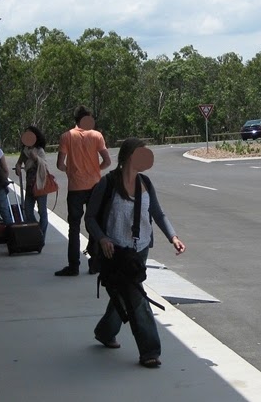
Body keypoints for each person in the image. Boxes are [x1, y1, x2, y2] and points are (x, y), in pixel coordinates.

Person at [85, 138, 185, 368]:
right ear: (130, 156)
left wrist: (173, 237)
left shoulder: (146, 183)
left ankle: (104, 332)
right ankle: (150, 351)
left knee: (124, 295)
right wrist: (102, 238)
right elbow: (90, 217)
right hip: (115, 251)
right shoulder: (108, 183)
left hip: (139, 251)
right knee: (137, 298)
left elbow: (158, 214)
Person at [56, 106, 112, 276]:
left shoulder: (67, 136)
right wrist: (96, 170)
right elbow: (108, 161)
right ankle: (94, 263)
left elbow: (59, 164)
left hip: (75, 188)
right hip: (95, 186)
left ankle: (73, 266)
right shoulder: (96, 135)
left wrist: (71, 172)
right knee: (94, 223)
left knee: (74, 227)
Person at [14, 125, 50, 242]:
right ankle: (36, 231)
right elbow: (19, 162)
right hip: (30, 185)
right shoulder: (25, 151)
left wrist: (36, 159)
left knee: (42, 211)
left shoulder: (39, 150)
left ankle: (41, 236)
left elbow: (44, 165)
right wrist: (18, 167)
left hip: (40, 184)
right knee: (28, 211)